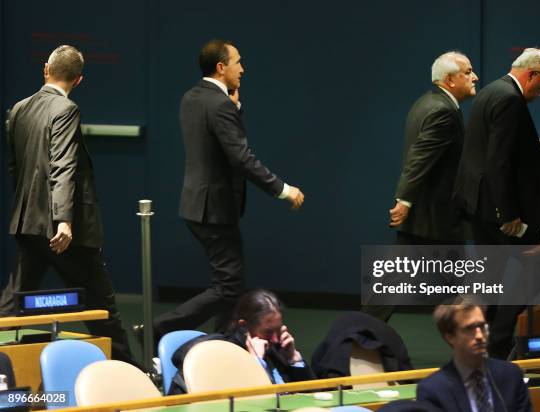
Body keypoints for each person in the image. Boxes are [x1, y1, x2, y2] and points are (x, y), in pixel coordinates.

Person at [146, 39, 305, 340]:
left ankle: (222, 342)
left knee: (229, 284)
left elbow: (218, 141)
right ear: (221, 67)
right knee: (230, 286)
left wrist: (235, 109)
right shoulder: (219, 105)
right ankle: (159, 329)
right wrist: (284, 190)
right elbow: (241, 157)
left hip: (198, 204)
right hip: (215, 208)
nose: (242, 69)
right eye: (237, 62)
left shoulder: (192, 97)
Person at [0, 45, 133, 362]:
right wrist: (64, 220)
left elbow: (15, 169)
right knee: (102, 309)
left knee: (11, 303)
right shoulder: (66, 110)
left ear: (46, 69)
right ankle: (134, 375)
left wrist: (27, 212)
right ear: (80, 80)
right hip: (61, 231)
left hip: (28, 221)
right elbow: (63, 166)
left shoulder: (19, 109)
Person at [453, 47, 540, 359]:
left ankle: (478, 344)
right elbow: (499, 161)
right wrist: (508, 213)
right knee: (530, 275)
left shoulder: (490, 92)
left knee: (490, 279)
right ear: (532, 75)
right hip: (502, 212)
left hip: (479, 205)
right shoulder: (510, 99)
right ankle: (498, 345)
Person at [364, 51, 478, 322]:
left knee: (446, 287)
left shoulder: (426, 102)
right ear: (450, 80)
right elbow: (420, 158)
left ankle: (359, 337)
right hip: (434, 219)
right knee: (396, 286)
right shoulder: (444, 111)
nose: (474, 77)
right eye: (467, 72)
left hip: (431, 218)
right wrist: (404, 201)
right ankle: (358, 338)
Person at [168, 289, 314, 394]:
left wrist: (294, 359)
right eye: (269, 332)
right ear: (244, 326)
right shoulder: (225, 354)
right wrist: (256, 363)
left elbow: (313, 394)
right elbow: (249, 403)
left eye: (278, 329)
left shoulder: (277, 348)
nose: (276, 338)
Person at [417, 300, 532, 412]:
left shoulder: (511, 375)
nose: (479, 335)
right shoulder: (433, 390)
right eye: (469, 328)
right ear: (450, 337)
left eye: (482, 326)